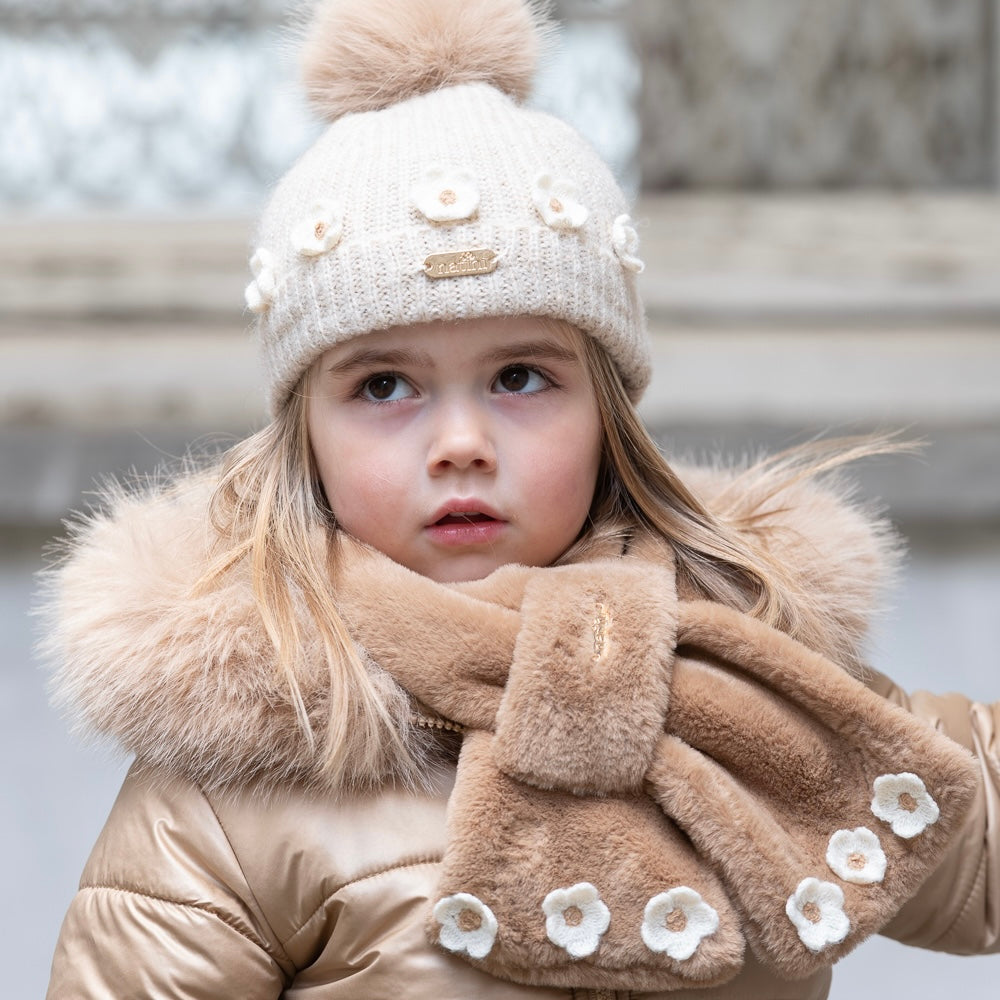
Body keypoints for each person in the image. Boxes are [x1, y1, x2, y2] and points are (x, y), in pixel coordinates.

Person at [42, 1, 997, 997]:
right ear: (305, 435)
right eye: (383, 385)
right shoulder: (229, 788)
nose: (460, 444)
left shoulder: (751, 667)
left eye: (519, 377)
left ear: (606, 414)